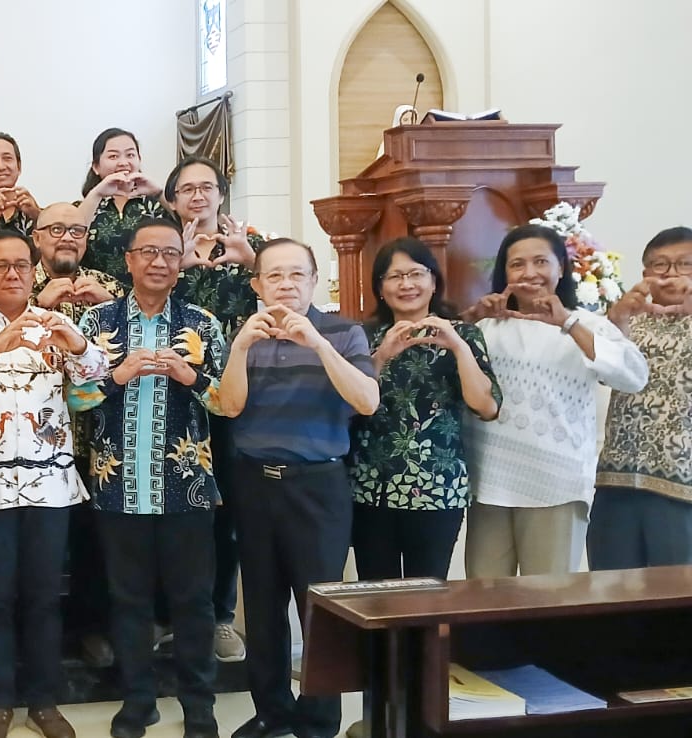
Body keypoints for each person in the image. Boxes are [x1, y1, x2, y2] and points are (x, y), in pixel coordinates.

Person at [0, 231, 107, 738]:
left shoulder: (55, 324)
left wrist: (76, 342)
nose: (13, 274)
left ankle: (44, 699)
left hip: (51, 482)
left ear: (35, 272)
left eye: (21, 266)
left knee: (41, 595)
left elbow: (97, 378)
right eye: (1, 266)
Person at [216, 238, 379, 738]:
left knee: (319, 608)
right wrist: (242, 344)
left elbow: (367, 401)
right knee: (262, 607)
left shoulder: (344, 332)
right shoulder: (244, 334)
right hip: (255, 483)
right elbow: (230, 406)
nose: (286, 285)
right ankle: (271, 710)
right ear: (257, 284)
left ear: (313, 281)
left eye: (297, 276)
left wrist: (318, 343)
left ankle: (320, 718)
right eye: (275, 277)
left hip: (318, 485)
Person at [75, 218, 228, 738]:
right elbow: (72, 399)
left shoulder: (203, 324)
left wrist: (192, 377)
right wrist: (116, 377)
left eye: (169, 252)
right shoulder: (95, 324)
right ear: (129, 260)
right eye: (148, 252)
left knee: (193, 602)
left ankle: (200, 707)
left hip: (187, 488)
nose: (159, 262)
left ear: (181, 260)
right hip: (117, 488)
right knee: (129, 601)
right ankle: (138, 702)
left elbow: (228, 404)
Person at [460, 224, 647, 578]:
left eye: (540, 262)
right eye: (517, 264)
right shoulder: (488, 328)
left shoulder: (588, 325)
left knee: (548, 602)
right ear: (505, 273)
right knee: (483, 603)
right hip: (490, 482)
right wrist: (471, 318)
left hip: (555, 485)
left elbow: (633, 376)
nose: (529, 273)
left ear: (561, 268)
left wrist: (567, 322)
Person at [157, 156, 264, 663]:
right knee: (162, 510)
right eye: (187, 189)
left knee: (226, 514)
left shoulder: (253, 247)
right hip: (167, 398)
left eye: (207, 187)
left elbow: (288, 297)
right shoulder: (159, 247)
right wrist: (174, 261)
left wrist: (251, 264)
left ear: (221, 194)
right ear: (172, 199)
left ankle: (221, 617)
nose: (198, 196)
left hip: (231, 402)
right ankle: (163, 616)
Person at [350, 238, 501, 581]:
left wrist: (458, 347)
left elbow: (486, 406)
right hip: (371, 486)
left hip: (437, 489)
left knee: (427, 595)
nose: (406, 284)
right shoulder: (361, 335)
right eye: (394, 276)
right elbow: (348, 401)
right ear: (380, 287)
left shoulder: (464, 334)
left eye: (416, 273)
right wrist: (382, 356)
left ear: (434, 282)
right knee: (374, 596)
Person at [26, 203, 125, 668]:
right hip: (33, 440)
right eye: (57, 228)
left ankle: (92, 629)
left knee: (95, 543)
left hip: (100, 438)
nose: (68, 237)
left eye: (78, 230)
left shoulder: (111, 287)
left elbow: (139, 341)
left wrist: (109, 309)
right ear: (36, 236)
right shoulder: (16, 281)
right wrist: (39, 305)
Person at [592, 226, 692, 569]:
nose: (671, 275)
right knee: (611, 591)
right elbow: (604, 372)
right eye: (660, 265)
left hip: (681, 483)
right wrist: (618, 319)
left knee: (675, 598)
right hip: (615, 478)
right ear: (645, 273)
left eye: (684, 265)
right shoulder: (625, 317)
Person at [73, 128, 165, 283]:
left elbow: (186, 224)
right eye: (113, 156)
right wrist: (96, 194)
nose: (123, 163)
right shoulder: (83, 207)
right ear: (96, 166)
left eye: (130, 155)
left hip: (149, 294)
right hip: (95, 293)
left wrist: (160, 193)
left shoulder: (157, 205)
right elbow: (73, 237)